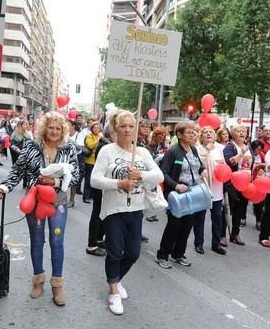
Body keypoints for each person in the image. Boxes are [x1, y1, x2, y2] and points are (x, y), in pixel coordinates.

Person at [0, 112, 79, 305]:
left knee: (57, 241)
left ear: (63, 130)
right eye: (51, 127)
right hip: (36, 201)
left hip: (58, 202)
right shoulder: (31, 146)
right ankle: (38, 280)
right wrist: (4, 187)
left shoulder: (69, 148)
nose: (54, 131)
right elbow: (17, 170)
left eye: (58, 128)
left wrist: (55, 180)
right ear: (44, 128)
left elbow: (76, 176)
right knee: (37, 241)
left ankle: (57, 285)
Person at [90, 110, 163, 315]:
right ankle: (113, 290)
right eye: (123, 126)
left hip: (136, 208)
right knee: (115, 251)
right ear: (116, 128)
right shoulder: (107, 151)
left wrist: (141, 174)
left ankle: (117, 278)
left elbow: (158, 176)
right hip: (114, 209)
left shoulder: (143, 152)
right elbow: (94, 180)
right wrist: (119, 183)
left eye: (131, 126)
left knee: (133, 253)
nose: (128, 130)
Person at [156, 121, 206, 267]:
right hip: (176, 195)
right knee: (174, 224)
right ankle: (162, 255)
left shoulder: (194, 149)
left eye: (194, 132)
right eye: (190, 132)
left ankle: (178, 254)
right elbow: (163, 173)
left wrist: (202, 170)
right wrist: (176, 185)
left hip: (192, 193)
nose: (194, 135)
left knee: (187, 224)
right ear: (179, 135)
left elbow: (198, 166)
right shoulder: (173, 151)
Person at [197, 126, 227, 255]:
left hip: (217, 190)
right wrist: (207, 151)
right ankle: (198, 244)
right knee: (200, 219)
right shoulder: (198, 149)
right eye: (205, 132)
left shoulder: (219, 150)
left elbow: (224, 167)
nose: (208, 134)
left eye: (211, 132)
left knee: (217, 219)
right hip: (204, 189)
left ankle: (216, 244)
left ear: (215, 136)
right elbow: (198, 166)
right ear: (201, 136)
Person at [86, 123, 116, 257]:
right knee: (97, 212)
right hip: (100, 184)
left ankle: (98, 238)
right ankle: (91, 244)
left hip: (105, 184)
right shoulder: (104, 147)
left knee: (103, 212)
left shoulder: (108, 145)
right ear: (111, 133)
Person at [223, 124, 252, 245]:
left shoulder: (247, 147)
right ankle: (222, 235)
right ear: (233, 134)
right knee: (227, 209)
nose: (241, 133)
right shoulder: (230, 147)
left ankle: (235, 234)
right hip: (232, 183)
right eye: (238, 131)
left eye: (243, 131)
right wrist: (241, 153)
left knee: (240, 210)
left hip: (246, 183)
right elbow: (229, 162)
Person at [82, 121, 101, 203]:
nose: (96, 129)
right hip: (90, 161)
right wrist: (98, 140)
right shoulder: (89, 136)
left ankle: (92, 195)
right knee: (88, 179)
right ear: (92, 128)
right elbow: (90, 145)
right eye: (95, 128)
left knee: (95, 179)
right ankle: (86, 196)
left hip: (98, 161)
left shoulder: (101, 136)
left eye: (98, 128)